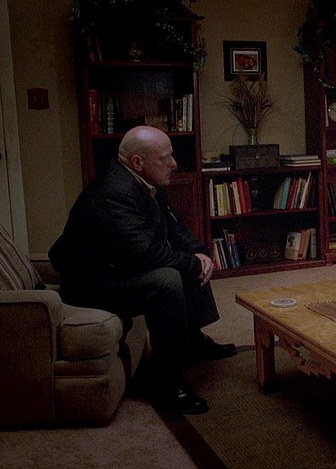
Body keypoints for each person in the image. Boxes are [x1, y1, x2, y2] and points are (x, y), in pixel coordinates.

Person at [49, 126, 237, 415]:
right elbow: (146, 255)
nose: (174, 164)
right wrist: (193, 263)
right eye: (165, 158)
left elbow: (175, 228)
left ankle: (194, 341)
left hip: (118, 268)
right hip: (90, 284)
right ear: (138, 162)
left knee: (188, 259)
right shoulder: (114, 193)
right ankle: (168, 383)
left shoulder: (144, 181)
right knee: (166, 279)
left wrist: (199, 252)